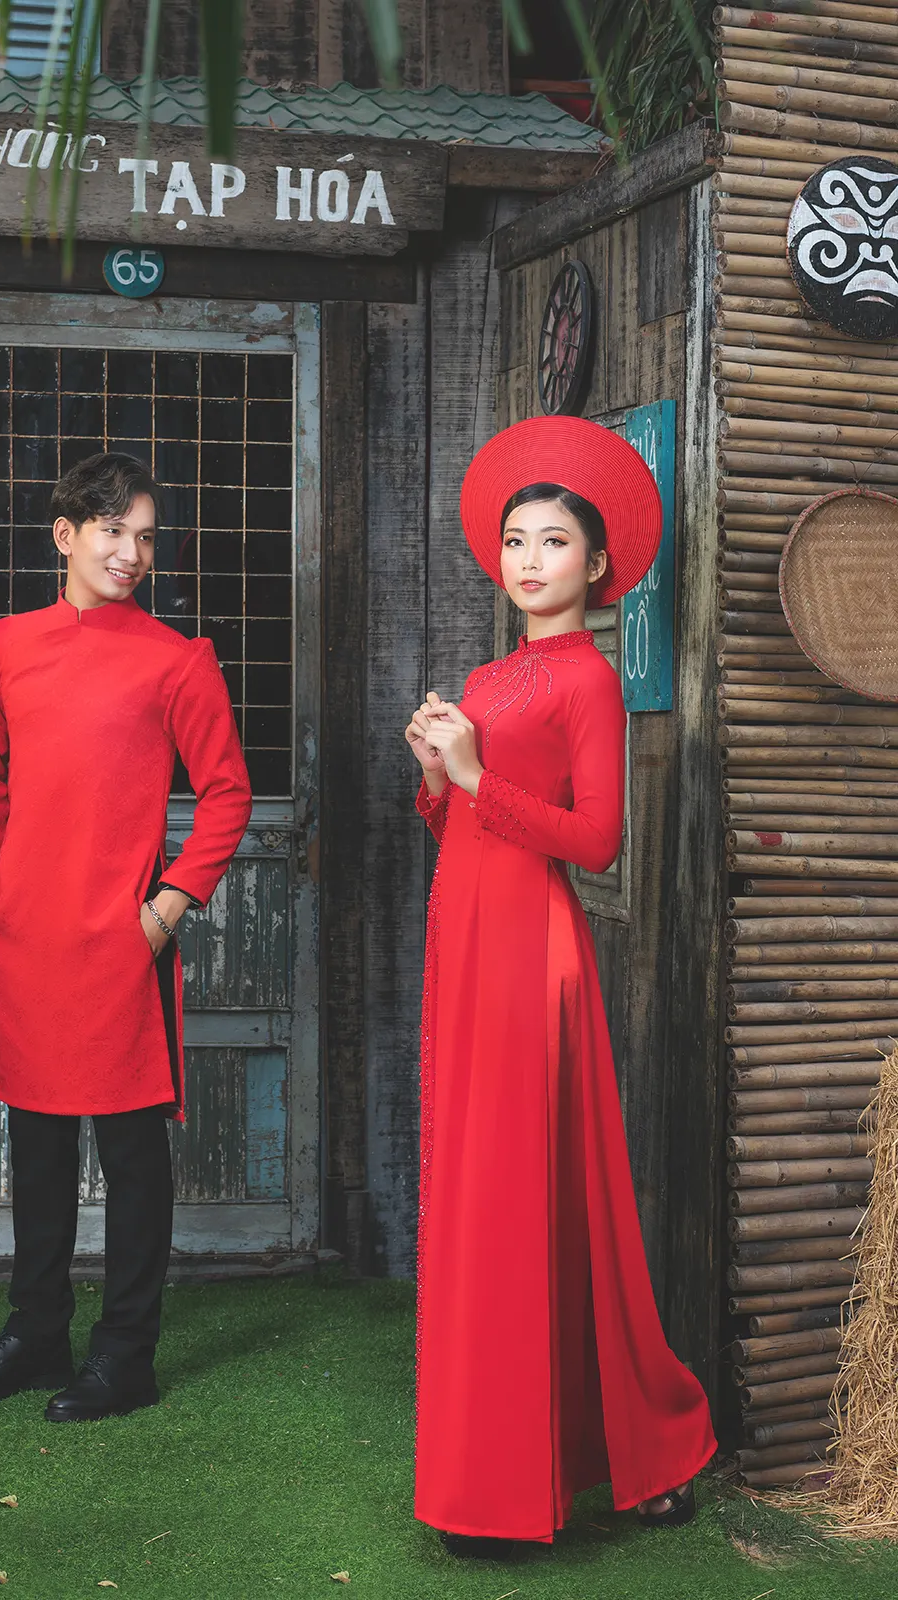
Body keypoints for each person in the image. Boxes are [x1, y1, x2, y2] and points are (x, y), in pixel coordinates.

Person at [406, 415, 716, 1550]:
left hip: (533, 957)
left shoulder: (588, 679)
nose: (530, 559)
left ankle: (608, 1458)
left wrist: (476, 775)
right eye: (515, 540)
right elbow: (462, 826)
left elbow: (596, 841)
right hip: (466, 944)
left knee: (524, 1201)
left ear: (597, 563)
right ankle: (488, 1475)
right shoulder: (491, 674)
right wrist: (436, 774)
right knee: (477, 1200)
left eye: (553, 541)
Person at [0, 451, 252, 1421]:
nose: (132, 553)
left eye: (146, 537)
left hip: (123, 940)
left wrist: (166, 908)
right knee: (35, 1145)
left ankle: (126, 1355)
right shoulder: (5, 646)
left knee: (131, 1156)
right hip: (24, 935)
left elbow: (228, 794)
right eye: (114, 531)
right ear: (65, 535)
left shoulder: (176, 660)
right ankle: (36, 1334)